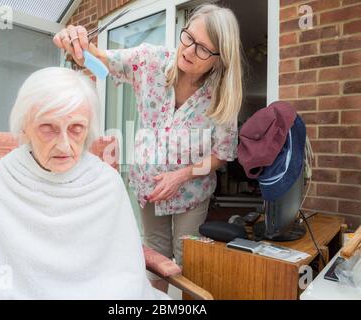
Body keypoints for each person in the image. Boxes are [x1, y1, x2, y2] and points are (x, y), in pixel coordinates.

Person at [53, 3, 243, 293]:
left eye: (203, 48)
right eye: (188, 37)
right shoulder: (151, 60)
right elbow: (100, 62)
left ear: (220, 59)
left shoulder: (222, 98)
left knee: (188, 258)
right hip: (148, 185)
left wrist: (181, 176)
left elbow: (221, 154)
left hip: (191, 193)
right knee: (155, 255)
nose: (189, 50)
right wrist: (79, 45)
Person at [0, 67, 169, 300]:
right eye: (48, 128)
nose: (64, 145)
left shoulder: (107, 184)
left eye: (77, 129)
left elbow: (124, 276)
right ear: (23, 127)